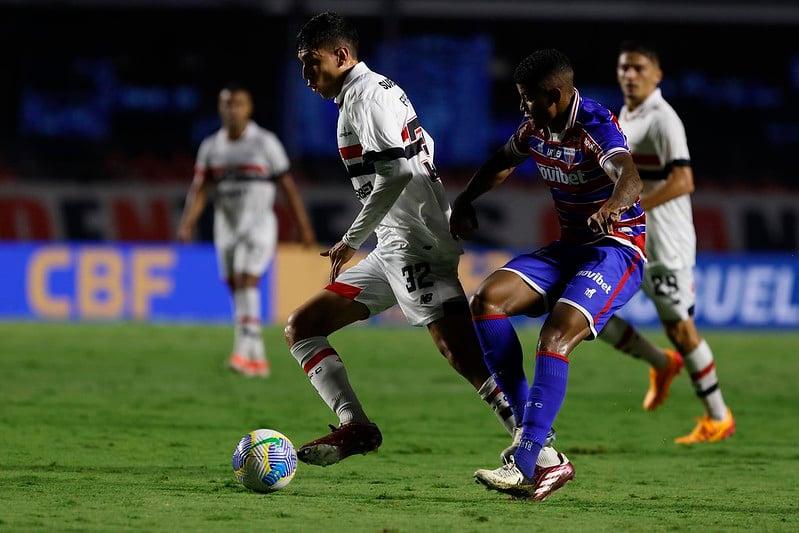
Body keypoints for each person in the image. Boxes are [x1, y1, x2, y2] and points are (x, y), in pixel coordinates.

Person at [287, 12, 568, 494]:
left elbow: (395, 175)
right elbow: (419, 153)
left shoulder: (364, 100)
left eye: (312, 63)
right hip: (396, 242)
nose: (307, 75)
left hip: (411, 242)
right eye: (302, 66)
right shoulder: (376, 90)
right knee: (303, 327)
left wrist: (353, 237)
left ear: (341, 55)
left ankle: (543, 455)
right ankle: (356, 425)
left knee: (463, 354)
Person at [452, 49, 644, 499]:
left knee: (555, 336)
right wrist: (465, 200)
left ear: (554, 95)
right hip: (570, 248)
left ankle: (524, 463)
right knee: (487, 300)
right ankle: (537, 445)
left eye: (527, 98)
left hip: (616, 250)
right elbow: (502, 160)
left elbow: (630, 176)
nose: (523, 107)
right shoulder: (536, 127)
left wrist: (613, 207)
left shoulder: (594, 125)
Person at [597, 42, 734, 443]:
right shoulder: (626, 114)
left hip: (667, 244)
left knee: (681, 330)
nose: (630, 75)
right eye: (624, 68)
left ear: (657, 74)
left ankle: (718, 416)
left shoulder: (663, 119)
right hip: (632, 239)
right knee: (590, 306)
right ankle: (660, 363)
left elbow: (684, 180)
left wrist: (633, 206)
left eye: (638, 68)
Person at [178, 84, 316, 378]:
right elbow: (200, 188)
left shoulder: (265, 143)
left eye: (237, 103)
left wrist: (302, 225)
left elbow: (287, 187)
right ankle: (256, 358)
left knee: (246, 279)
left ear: (249, 108)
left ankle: (243, 351)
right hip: (225, 227)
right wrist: (189, 221)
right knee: (235, 286)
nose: (232, 110)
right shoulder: (212, 146)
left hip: (259, 225)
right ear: (220, 108)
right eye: (226, 104)